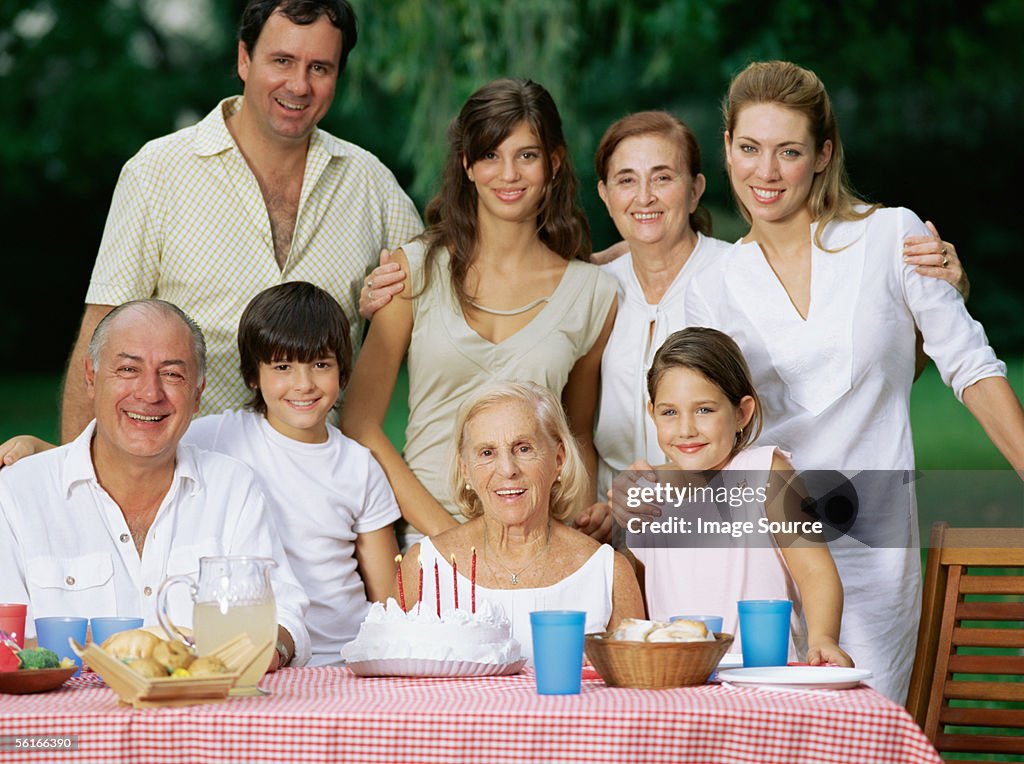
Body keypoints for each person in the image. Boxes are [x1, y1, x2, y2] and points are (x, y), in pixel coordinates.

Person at [684, 60, 1024, 702]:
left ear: (823, 154)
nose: (767, 171)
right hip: (764, 553)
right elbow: (713, 426)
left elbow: (970, 365)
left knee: (868, 726)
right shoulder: (713, 285)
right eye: (750, 148)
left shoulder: (891, 236)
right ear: (727, 149)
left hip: (875, 544)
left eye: (789, 151)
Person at [60, 0, 423, 442]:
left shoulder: (371, 183)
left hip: (320, 488)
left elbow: (440, 305)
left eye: (320, 68)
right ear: (244, 59)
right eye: (282, 61)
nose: (299, 84)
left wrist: (390, 306)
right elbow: (102, 340)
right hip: (187, 481)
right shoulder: (156, 171)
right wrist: (71, 483)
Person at [341, 79, 617, 548]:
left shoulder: (593, 292)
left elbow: (578, 437)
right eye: (490, 155)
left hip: (536, 541)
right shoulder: (415, 270)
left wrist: (571, 542)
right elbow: (360, 423)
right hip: (427, 538)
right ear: (467, 164)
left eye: (526, 155)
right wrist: (449, 537)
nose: (508, 173)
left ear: (553, 163)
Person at [0, 300, 310, 669]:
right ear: (90, 378)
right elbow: (7, 641)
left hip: (206, 717)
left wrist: (265, 650)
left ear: (198, 394)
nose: (150, 393)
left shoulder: (232, 487)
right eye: (128, 369)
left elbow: (286, 618)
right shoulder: (19, 493)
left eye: (173, 375)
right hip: (63, 721)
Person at [628, 327, 851, 666]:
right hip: (676, 677)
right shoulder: (648, 489)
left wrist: (822, 638)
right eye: (669, 412)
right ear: (652, 412)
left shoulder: (767, 472)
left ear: (741, 413)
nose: (686, 428)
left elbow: (814, 571)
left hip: (763, 674)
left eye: (704, 410)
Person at [397, 381, 644, 661]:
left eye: (523, 448)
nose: (507, 469)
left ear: (559, 459)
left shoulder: (609, 572)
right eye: (487, 453)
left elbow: (636, 693)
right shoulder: (422, 567)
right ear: (466, 471)